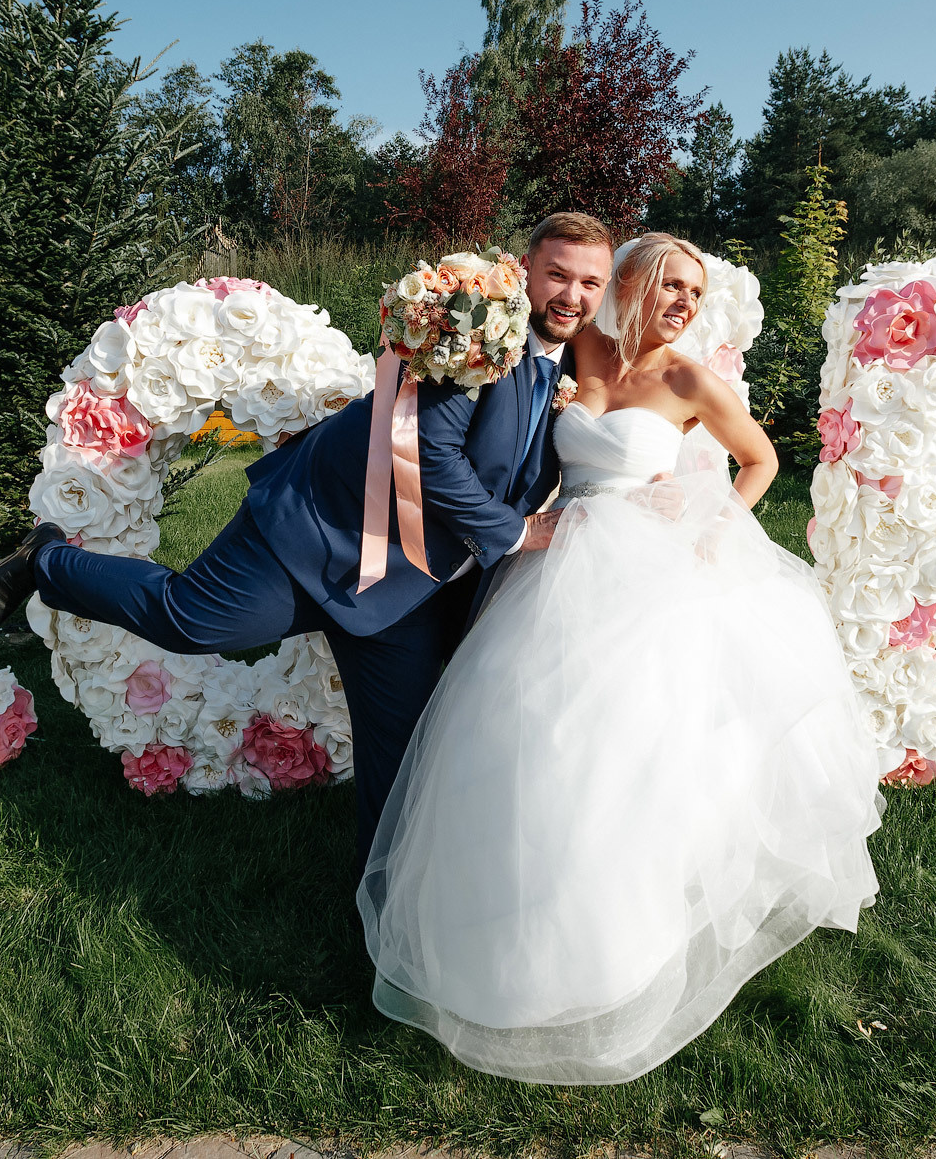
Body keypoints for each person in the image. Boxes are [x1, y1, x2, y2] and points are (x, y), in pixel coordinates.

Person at [357, 233, 884, 1085]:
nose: (683, 301)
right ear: (630, 281)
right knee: (525, 742)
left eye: (695, 291)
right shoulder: (573, 347)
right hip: (552, 564)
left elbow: (762, 460)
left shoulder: (688, 379)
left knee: (612, 756)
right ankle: (498, 934)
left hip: (642, 571)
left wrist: (712, 519)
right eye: (670, 284)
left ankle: (612, 949)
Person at [0, 212, 616, 869]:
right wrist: (517, 532)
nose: (572, 294)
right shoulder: (474, 332)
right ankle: (46, 558)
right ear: (523, 271)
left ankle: (383, 919)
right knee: (187, 618)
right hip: (315, 531)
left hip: (408, 591)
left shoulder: (570, 370)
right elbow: (427, 453)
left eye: (590, 281)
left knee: (398, 761)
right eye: (558, 274)